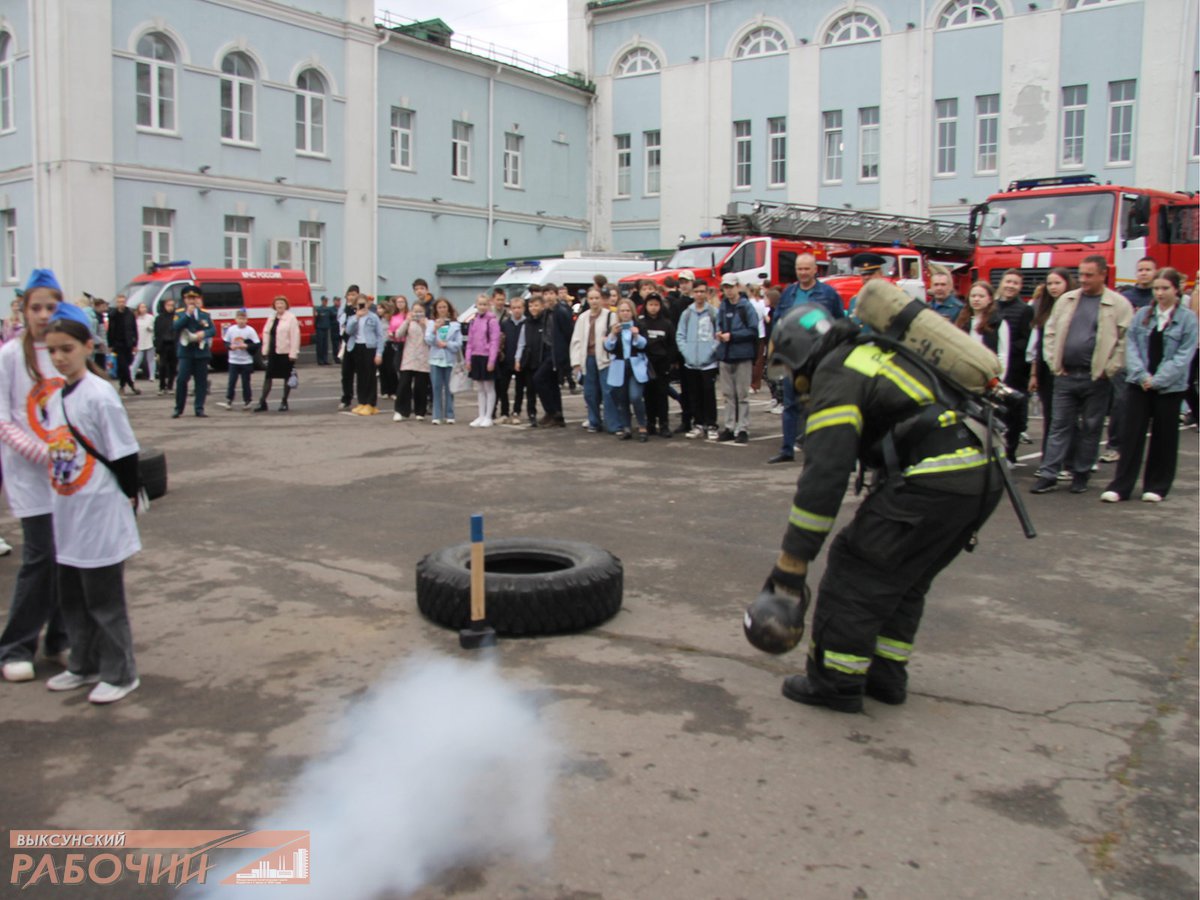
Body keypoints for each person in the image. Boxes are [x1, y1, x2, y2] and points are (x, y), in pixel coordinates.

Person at [749, 300, 1003, 713]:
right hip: (980, 474)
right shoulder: (871, 353)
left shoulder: (836, 370)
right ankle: (885, 675)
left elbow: (825, 475)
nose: (794, 380)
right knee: (904, 579)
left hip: (937, 478)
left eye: (788, 368)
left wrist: (793, 562)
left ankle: (836, 681)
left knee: (856, 568)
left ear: (801, 354)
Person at [43, 312, 142, 704]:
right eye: (52, 351)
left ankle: (120, 672)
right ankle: (83, 665)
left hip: (99, 510)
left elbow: (124, 452)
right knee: (72, 598)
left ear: (87, 347)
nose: (59, 358)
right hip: (68, 513)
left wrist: (129, 498)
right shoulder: (55, 397)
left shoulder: (100, 395)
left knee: (104, 599)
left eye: (67, 349)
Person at [0, 270, 69, 684]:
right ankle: (15, 645)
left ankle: (59, 640)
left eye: (51, 307)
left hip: (69, 478)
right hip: (31, 475)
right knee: (40, 557)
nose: (44, 315)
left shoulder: (65, 350)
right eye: (36, 307)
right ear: (23, 310)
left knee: (68, 559)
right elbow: (5, 418)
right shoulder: (10, 356)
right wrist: (41, 453)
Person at [1031, 256, 1134, 494]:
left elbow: (1123, 342)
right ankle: (1049, 473)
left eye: (1089, 275)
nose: (1083, 280)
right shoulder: (1067, 300)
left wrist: (1108, 370)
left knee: (1091, 427)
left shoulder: (1119, 305)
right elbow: (1051, 332)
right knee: (1059, 425)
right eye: (1081, 274)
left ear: (1103, 275)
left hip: (1096, 378)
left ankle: (1081, 473)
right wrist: (1053, 363)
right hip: (1065, 375)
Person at [1101, 268, 1198, 503]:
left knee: (1164, 437)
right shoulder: (1143, 314)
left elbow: (1185, 354)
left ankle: (1157, 485)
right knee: (1132, 435)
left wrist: (1159, 379)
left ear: (1177, 290)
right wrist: (1141, 375)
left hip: (1169, 387)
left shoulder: (1187, 319)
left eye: (1165, 288)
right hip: (1139, 383)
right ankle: (1121, 486)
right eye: (1156, 289)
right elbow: (1131, 345)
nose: (1160, 293)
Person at [770, 254, 844, 464]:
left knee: (817, 405)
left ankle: (817, 450)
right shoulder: (789, 293)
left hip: (818, 359)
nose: (803, 273)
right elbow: (779, 321)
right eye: (799, 269)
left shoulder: (828, 294)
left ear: (815, 270)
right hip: (792, 358)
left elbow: (839, 321)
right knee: (790, 404)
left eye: (806, 269)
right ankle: (787, 450)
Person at [1102, 257, 1159, 464]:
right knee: (1121, 403)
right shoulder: (1126, 297)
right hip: (1126, 357)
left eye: (1148, 269)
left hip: (1152, 358)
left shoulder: (1158, 297)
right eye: (1140, 269)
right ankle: (1114, 445)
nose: (1143, 273)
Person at [1027, 268, 1076, 468]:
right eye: (1050, 284)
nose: (1053, 287)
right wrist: (1033, 374)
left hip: (1069, 368)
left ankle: (1069, 461)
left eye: (1057, 283)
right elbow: (1037, 345)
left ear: (1067, 284)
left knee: (1068, 417)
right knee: (1050, 415)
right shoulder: (1042, 308)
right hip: (1046, 370)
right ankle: (1049, 460)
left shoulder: (1075, 307)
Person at [994, 269, 1034, 464]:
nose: (1010, 286)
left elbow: (1026, 341)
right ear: (1002, 283)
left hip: (1016, 371)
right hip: (994, 368)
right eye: (1008, 281)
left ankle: (1010, 452)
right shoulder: (992, 307)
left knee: (1014, 416)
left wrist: (1005, 347)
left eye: (1015, 283)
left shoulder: (1025, 310)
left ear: (1020, 287)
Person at [714, 274, 759, 444]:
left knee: (742, 394)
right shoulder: (723, 307)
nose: (728, 291)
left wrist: (732, 336)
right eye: (725, 287)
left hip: (742, 354)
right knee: (728, 394)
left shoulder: (745, 306)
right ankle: (729, 426)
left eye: (731, 287)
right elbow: (718, 324)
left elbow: (753, 330)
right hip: (725, 354)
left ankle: (743, 428)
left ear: (737, 287)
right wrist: (719, 334)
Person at [676, 282, 720, 439]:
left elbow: (718, 335)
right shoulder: (687, 313)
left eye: (702, 291)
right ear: (693, 293)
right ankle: (698, 423)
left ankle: (712, 424)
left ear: (707, 293)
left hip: (708, 363)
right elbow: (680, 335)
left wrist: (711, 352)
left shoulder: (714, 313)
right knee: (694, 394)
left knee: (708, 394)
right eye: (697, 291)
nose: (699, 294)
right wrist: (686, 352)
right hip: (690, 362)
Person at [604, 297, 650, 441]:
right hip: (619, 365)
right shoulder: (614, 328)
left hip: (635, 365)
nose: (625, 313)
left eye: (627, 310)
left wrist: (636, 334)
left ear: (632, 312)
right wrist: (612, 334)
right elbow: (608, 347)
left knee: (635, 396)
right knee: (621, 398)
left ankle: (642, 425)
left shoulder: (639, 325)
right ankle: (626, 427)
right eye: (622, 311)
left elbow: (644, 345)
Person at [570, 286, 615, 434]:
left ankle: (611, 423)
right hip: (588, 358)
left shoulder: (610, 316)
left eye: (597, 298)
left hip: (605, 359)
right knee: (589, 392)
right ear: (587, 300)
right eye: (591, 298)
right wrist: (576, 363)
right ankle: (594, 421)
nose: (594, 301)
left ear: (602, 299)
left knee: (607, 392)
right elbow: (576, 341)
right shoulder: (583, 317)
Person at [529, 283, 571, 427]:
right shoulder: (547, 312)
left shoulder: (561, 311)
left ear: (556, 294)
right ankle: (557, 416)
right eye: (546, 294)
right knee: (552, 384)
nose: (548, 297)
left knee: (538, 379)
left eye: (551, 293)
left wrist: (565, 355)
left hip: (556, 352)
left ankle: (552, 411)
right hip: (546, 350)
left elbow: (568, 334)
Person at [171, 285, 215, 418]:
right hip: (186, 352)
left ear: (198, 299)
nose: (191, 301)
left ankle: (199, 408)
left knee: (201, 381)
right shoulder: (179, 314)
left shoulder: (204, 314)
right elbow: (176, 327)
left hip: (201, 352)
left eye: (194, 298)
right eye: (189, 298)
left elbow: (213, 330)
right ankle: (179, 408)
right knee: (182, 380)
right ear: (184, 299)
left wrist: (204, 333)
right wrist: (187, 315)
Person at [954, 282, 1010, 380]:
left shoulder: (998, 323)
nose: (976, 299)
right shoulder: (962, 321)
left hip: (988, 376)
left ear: (990, 299)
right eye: (973, 296)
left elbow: (1003, 354)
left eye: (981, 296)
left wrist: (998, 378)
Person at [637, 292, 675, 437]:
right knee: (648, 395)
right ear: (646, 306)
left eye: (656, 305)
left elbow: (672, 345)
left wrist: (669, 362)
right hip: (646, 364)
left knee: (662, 395)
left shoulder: (666, 324)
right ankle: (650, 423)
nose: (653, 308)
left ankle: (664, 424)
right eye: (650, 304)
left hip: (662, 364)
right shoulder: (641, 323)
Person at [465, 293, 501, 428]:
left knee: (489, 387)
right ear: (476, 305)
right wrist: (468, 359)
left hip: (487, 357)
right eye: (480, 304)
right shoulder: (474, 321)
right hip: (476, 356)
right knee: (479, 388)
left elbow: (494, 341)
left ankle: (488, 416)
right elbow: (469, 341)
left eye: (485, 304)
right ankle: (481, 415)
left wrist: (492, 360)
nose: (482, 307)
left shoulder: (492, 321)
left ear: (489, 305)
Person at [426, 298, 461, 425]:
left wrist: (446, 344)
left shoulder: (455, 325)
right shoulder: (431, 324)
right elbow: (428, 340)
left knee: (449, 388)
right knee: (436, 388)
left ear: (448, 309)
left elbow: (458, 344)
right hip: (435, 359)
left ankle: (450, 414)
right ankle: (436, 415)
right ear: (436, 309)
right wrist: (435, 329)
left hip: (449, 359)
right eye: (439, 307)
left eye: (444, 307)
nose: (442, 310)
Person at [218, 309, 260, 411]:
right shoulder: (232, 329)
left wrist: (247, 346)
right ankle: (229, 399)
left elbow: (257, 344)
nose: (241, 321)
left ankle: (247, 400)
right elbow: (225, 342)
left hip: (246, 361)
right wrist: (230, 347)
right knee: (232, 381)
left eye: (243, 319)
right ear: (236, 319)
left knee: (246, 382)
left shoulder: (250, 330)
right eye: (239, 318)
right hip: (234, 360)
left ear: (247, 320)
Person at [393, 303, 430, 421]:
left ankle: (420, 411)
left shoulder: (428, 323)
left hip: (423, 358)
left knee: (421, 386)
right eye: (415, 311)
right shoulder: (409, 322)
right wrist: (407, 321)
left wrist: (425, 325)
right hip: (409, 358)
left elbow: (432, 338)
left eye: (420, 312)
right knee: (404, 385)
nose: (417, 314)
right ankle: (400, 410)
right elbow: (398, 334)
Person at [509, 296, 538, 426]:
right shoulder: (525, 325)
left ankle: (532, 413)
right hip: (524, 360)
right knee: (519, 388)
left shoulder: (529, 322)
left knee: (531, 389)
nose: (516, 310)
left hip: (534, 361)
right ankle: (516, 411)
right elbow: (521, 343)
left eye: (519, 307)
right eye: (514, 308)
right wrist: (517, 359)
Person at [107, 293, 140, 395]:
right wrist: (110, 344)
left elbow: (134, 329)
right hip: (118, 343)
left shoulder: (130, 314)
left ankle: (125, 384)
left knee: (127, 364)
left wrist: (135, 344)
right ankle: (129, 385)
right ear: (117, 303)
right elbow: (110, 330)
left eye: (123, 302)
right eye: (119, 302)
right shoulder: (113, 314)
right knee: (123, 365)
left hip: (128, 343)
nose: (121, 304)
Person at [153, 298, 176, 395]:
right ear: (165, 306)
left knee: (173, 367)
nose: (170, 307)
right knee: (162, 366)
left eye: (172, 305)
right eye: (169, 305)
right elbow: (157, 332)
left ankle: (170, 386)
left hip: (174, 344)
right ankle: (162, 386)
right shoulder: (159, 318)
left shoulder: (176, 317)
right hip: (163, 345)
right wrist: (157, 346)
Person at [133, 302, 156, 384]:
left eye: (145, 307)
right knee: (137, 359)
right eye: (141, 307)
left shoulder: (150, 317)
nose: (143, 309)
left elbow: (155, 328)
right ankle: (132, 375)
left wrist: (151, 329)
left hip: (149, 340)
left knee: (151, 359)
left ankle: (152, 376)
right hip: (140, 341)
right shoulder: (136, 318)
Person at [313, 295, 334, 366]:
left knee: (325, 345)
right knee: (320, 345)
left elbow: (332, 318)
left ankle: (325, 359)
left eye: (327, 301)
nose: (326, 302)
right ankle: (320, 360)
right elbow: (316, 319)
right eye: (325, 300)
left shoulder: (328, 309)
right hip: (320, 329)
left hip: (326, 328)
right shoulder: (318, 309)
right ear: (322, 301)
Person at [329, 296, 343, 361]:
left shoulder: (342, 309)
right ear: (334, 301)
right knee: (335, 344)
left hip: (341, 329)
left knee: (341, 344)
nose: (339, 302)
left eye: (339, 301)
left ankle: (340, 357)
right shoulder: (331, 309)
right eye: (337, 301)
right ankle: (336, 358)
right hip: (334, 329)